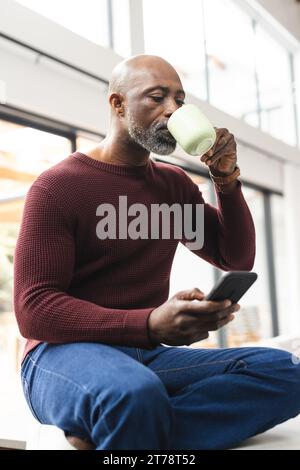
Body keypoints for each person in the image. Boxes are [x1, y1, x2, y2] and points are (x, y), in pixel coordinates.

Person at [14, 55, 300, 450]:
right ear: (117, 105)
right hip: (59, 356)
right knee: (132, 394)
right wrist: (149, 323)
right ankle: (127, 415)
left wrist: (226, 179)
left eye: (179, 100)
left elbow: (235, 258)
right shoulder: (58, 186)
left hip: (144, 357)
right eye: (157, 98)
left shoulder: (173, 184)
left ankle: (116, 428)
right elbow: (35, 310)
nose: (173, 110)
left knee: (289, 370)